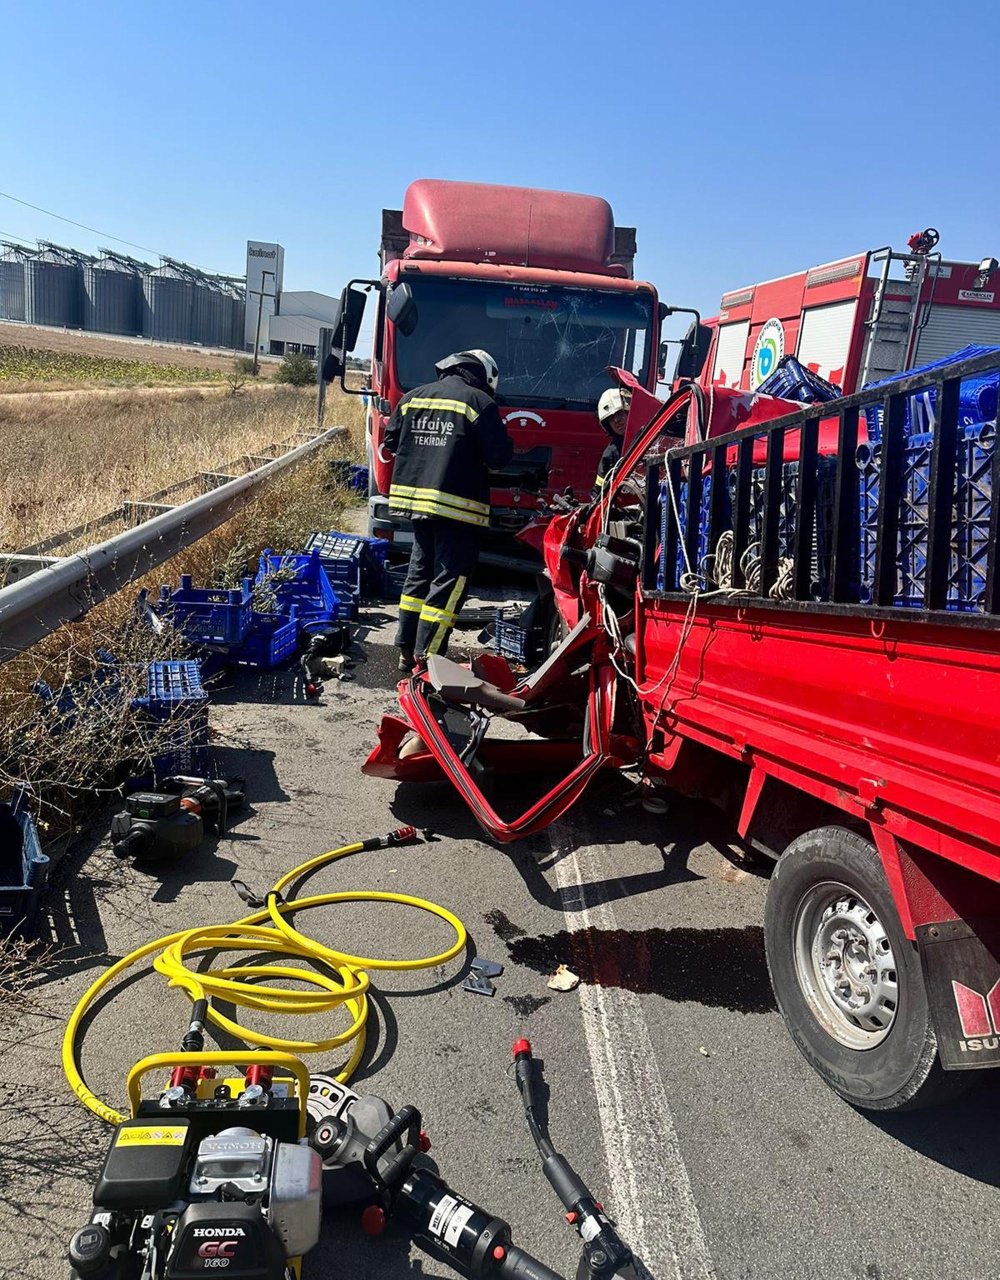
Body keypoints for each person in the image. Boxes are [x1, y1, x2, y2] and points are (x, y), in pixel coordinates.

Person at [385, 349, 513, 672]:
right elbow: (499, 456)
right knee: (450, 581)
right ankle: (428, 656)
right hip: (458, 511)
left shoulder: (413, 397)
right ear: (482, 376)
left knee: (418, 575)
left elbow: (390, 440)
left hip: (417, 506)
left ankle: (405, 647)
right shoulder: (480, 404)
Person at [593, 386, 630, 497]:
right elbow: (598, 490)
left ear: (628, 411)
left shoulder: (649, 437)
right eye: (611, 418)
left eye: (619, 413)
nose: (616, 420)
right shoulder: (610, 453)